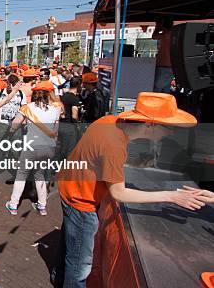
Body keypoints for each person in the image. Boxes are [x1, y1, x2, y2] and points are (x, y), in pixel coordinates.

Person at [52, 92, 207, 287]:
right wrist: (172, 196)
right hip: (81, 201)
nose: (171, 133)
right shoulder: (114, 144)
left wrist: (133, 162)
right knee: (80, 264)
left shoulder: (110, 121)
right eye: (169, 127)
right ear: (149, 124)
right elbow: (119, 193)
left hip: (70, 187)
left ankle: (58, 277)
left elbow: (98, 157)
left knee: (70, 244)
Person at [5, 81, 61, 216]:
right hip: (48, 147)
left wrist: (12, 131)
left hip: (31, 146)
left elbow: (14, 124)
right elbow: (55, 132)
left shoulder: (27, 108)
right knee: (39, 174)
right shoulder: (56, 109)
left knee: (21, 174)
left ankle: (13, 204)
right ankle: (42, 205)